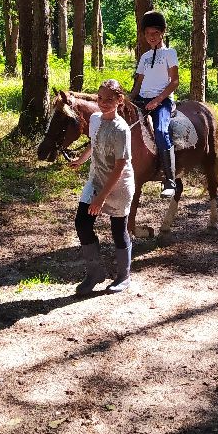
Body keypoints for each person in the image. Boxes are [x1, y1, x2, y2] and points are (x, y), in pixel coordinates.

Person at [69, 80, 135, 294]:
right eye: (100, 98)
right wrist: (80, 160)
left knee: (118, 230)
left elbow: (120, 166)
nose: (103, 103)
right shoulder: (96, 119)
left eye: (109, 99)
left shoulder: (121, 129)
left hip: (118, 186)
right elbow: (93, 142)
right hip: (96, 180)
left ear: (119, 100)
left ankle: (124, 276)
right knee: (82, 223)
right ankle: (95, 273)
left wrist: (101, 198)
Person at [130, 10, 180, 198]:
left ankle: (169, 180)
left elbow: (174, 81)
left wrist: (158, 100)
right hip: (142, 100)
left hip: (163, 101)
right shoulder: (144, 57)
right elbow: (139, 83)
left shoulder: (170, 53)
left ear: (162, 33)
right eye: (147, 33)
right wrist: (129, 98)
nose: (150, 37)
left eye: (155, 33)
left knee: (160, 130)